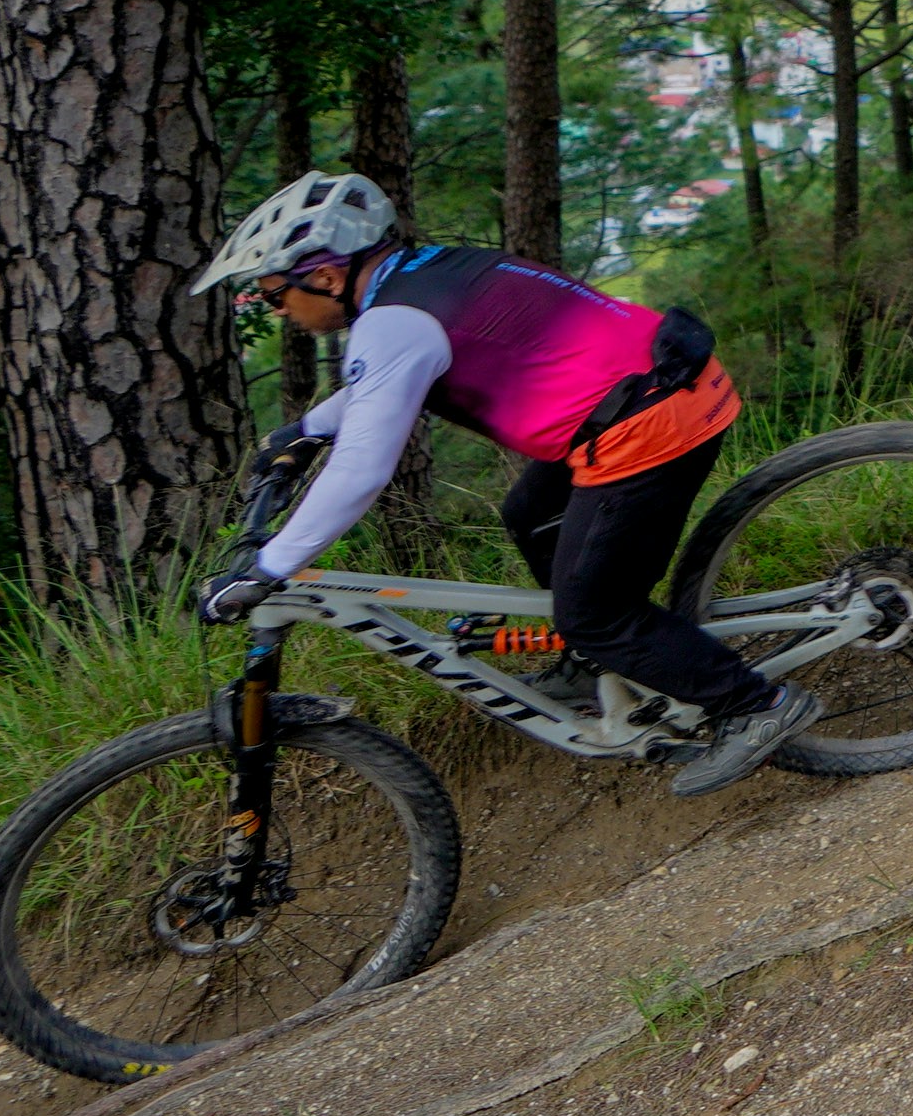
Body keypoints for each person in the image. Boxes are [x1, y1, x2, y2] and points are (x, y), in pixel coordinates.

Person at [189, 172, 824, 796]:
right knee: (529, 512)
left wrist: (270, 566)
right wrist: (308, 427)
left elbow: (360, 471)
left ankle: (754, 704)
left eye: (276, 297)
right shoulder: (422, 273)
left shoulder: (391, 321)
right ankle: (595, 660)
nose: (279, 312)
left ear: (325, 276)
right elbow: (384, 378)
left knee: (596, 613)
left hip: (649, 421)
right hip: (658, 380)